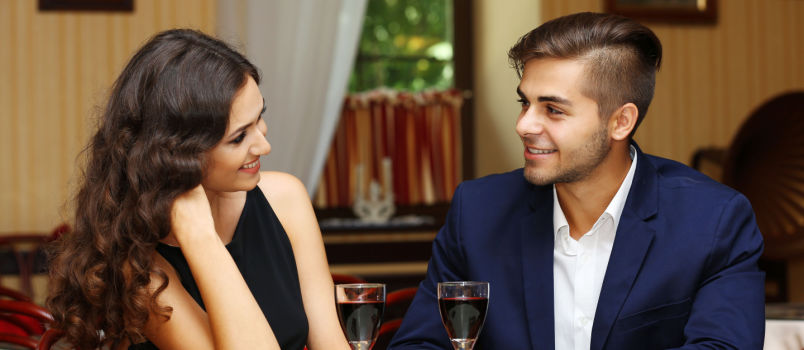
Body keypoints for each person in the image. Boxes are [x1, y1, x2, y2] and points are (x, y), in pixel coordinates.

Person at [389, 12, 765, 350]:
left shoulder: (713, 220)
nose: (524, 125)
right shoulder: (477, 212)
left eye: (553, 109)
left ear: (620, 122)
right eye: (525, 103)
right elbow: (420, 344)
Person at [46, 29, 349, 350]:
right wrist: (200, 237)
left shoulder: (286, 198)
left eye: (259, 117)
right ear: (178, 154)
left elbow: (331, 344)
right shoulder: (138, 266)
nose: (264, 145)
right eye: (238, 137)